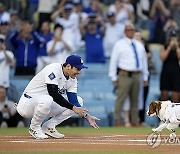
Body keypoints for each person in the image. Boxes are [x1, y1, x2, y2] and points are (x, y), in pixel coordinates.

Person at [16, 54, 100, 139]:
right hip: (27, 104)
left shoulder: (72, 79)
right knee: (48, 99)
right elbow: (53, 93)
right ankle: (34, 127)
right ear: (68, 66)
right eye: (77, 69)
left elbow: (74, 101)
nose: (79, 72)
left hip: (44, 105)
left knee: (79, 100)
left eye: (80, 69)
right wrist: (73, 108)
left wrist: (87, 116)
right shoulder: (53, 69)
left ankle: (49, 126)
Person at [109, 23, 149, 127]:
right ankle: (117, 119)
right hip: (124, 74)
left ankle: (135, 120)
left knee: (135, 99)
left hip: (137, 74)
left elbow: (143, 61)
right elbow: (114, 61)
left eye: (133, 30)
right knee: (121, 98)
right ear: (125, 31)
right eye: (129, 30)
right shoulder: (119, 44)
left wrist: (145, 76)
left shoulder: (139, 45)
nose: (131, 31)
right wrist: (113, 76)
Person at [160, 29, 180, 102]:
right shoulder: (164, 46)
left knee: (176, 96)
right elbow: (162, 58)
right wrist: (169, 47)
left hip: (176, 73)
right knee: (164, 95)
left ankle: (175, 113)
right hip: (166, 72)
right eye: (172, 38)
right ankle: (164, 113)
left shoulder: (179, 47)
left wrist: (177, 47)